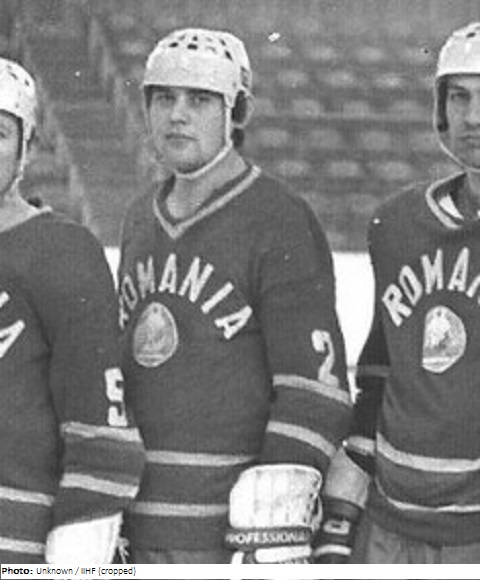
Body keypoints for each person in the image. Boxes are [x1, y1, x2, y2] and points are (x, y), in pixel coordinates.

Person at [117, 28, 352, 564]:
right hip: (134, 526)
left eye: (199, 100)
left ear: (236, 110)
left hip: (228, 536)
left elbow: (315, 391)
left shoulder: (278, 218)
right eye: (163, 98)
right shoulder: (138, 217)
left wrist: (270, 523)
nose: (177, 115)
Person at [314, 22, 480, 564]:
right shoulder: (399, 223)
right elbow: (381, 376)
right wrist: (341, 516)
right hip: (389, 523)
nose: (473, 117)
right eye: (459, 97)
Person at [0, 57, 145, 563]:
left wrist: (82, 537)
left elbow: (98, 422)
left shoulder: (63, 250)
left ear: (27, 147)